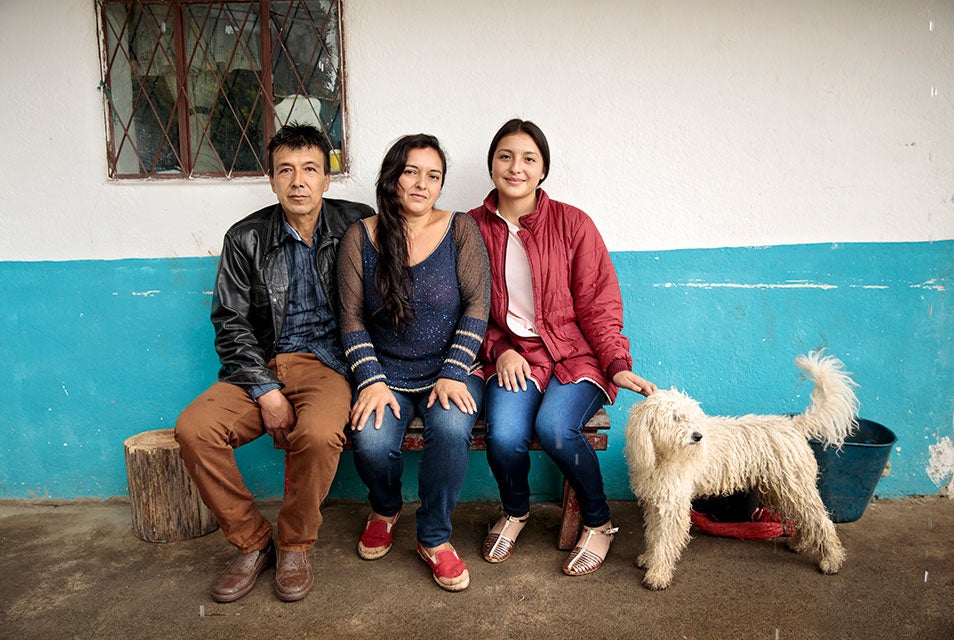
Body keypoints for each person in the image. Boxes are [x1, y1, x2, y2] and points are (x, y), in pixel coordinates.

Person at [174, 123, 373, 603]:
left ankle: (294, 543)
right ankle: (253, 541)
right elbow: (231, 323)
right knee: (194, 429)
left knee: (321, 433)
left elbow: (383, 302)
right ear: (272, 179)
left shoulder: (358, 223)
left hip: (329, 364)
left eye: (310, 169)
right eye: (286, 170)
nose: (298, 181)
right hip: (259, 365)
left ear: (328, 178)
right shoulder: (245, 237)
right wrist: (265, 389)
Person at [467, 119, 658, 575]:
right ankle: (515, 512)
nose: (516, 168)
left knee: (556, 429)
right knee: (505, 437)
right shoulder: (469, 228)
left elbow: (598, 302)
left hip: (576, 354)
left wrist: (614, 363)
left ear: (543, 170)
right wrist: (498, 348)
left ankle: (600, 523)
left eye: (529, 159)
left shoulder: (573, 223)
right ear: (492, 165)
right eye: (506, 157)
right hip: (515, 355)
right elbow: (465, 307)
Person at [337, 134, 490, 591]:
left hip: (452, 370)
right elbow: (350, 318)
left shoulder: (459, 229)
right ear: (393, 178)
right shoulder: (360, 236)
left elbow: (477, 305)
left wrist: (452, 371)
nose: (422, 183)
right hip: (384, 375)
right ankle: (385, 507)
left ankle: (434, 538)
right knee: (369, 440)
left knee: (449, 428)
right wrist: (371, 380)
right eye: (411, 172)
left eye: (434, 175)